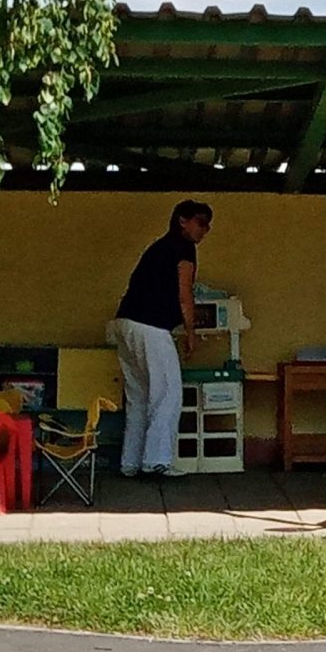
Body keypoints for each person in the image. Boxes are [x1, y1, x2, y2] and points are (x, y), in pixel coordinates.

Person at [111, 199, 212, 479]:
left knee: (139, 396)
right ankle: (156, 461)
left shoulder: (159, 247)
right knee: (168, 393)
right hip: (152, 326)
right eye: (201, 223)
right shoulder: (183, 249)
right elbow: (184, 293)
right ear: (183, 221)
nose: (205, 230)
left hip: (125, 322)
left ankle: (130, 461)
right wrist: (190, 332)